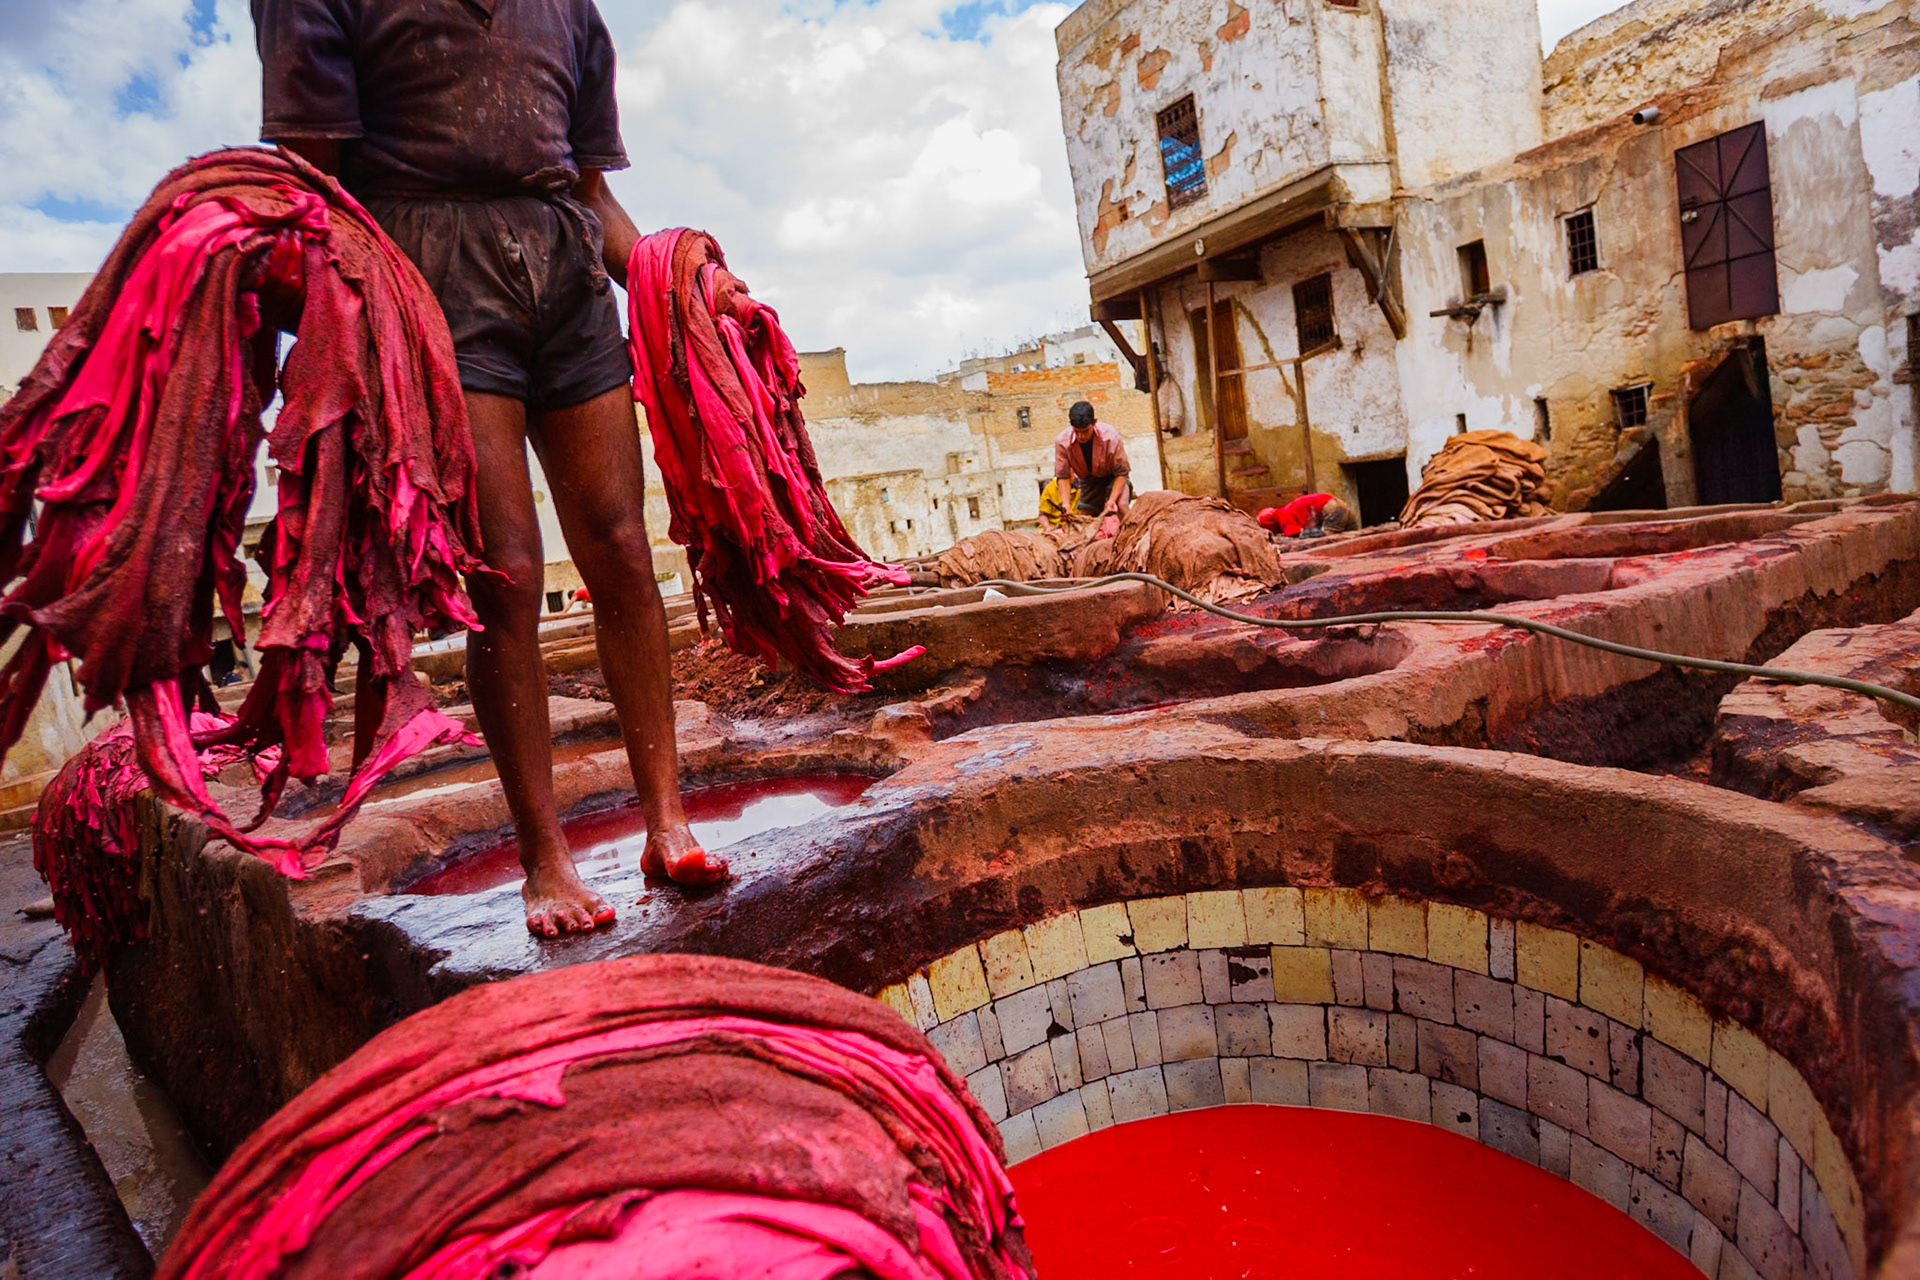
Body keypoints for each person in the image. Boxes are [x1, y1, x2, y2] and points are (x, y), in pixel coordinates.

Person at [252, 0, 726, 937]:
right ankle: (544, 860)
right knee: (505, 571)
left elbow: (592, 196)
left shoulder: (567, 12)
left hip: (567, 271)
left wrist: (684, 282)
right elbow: (315, 190)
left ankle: (667, 823)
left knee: (623, 548)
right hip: (428, 278)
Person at [1054, 401, 1131, 535]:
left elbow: (1121, 473)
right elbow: (1063, 476)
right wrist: (1066, 504)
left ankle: (1134, 539)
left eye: (1085, 431)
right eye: (1077, 432)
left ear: (1094, 423)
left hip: (1113, 477)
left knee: (1121, 506)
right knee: (1084, 521)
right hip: (1088, 481)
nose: (1081, 436)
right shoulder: (1062, 442)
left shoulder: (1110, 436)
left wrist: (1111, 501)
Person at [1258, 493, 1359, 539]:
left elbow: (1298, 534)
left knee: (1328, 537)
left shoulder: (1283, 517)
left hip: (1330, 509)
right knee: (1355, 535)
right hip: (1337, 503)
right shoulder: (1286, 509)